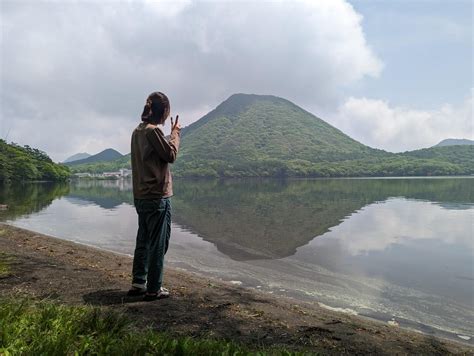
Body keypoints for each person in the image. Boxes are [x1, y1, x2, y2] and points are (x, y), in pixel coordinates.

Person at [127, 91, 181, 301]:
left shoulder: (137, 131)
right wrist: (175, 133)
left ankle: (138, 282)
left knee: (143, 240)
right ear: (163, 112)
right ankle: (154, 288)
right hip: (157, 197)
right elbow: (170, 155)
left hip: (141, 196)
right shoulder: (153, 132)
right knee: (158, 242)